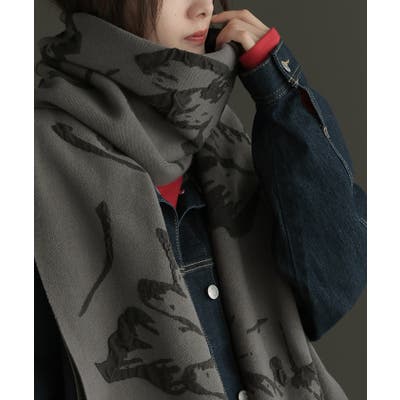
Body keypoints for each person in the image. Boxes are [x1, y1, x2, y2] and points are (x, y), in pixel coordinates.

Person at [35, 1, 367, 399]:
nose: (203, 8)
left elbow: (333, 287)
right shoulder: (39, 159)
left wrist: (278, 89)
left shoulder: (221, 138)